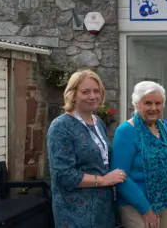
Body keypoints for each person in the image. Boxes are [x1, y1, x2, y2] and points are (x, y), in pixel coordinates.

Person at [47, 69, 126, 228]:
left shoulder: (97, 122)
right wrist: (104, 180)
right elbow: (63, 175)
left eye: (96, 91)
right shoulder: (61, 126)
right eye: (85, 92)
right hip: (76, 211)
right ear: (72, 95)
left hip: (103, 208)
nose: (92, 96)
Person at [111, 81, 167, 228]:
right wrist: (145, 209)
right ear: (137, 104)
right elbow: (120, 177)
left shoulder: (164, 127)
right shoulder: (125, 131)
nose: (153, 108)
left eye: (158, 103)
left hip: (166, 201)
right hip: (136, 205)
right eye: (148, 103)